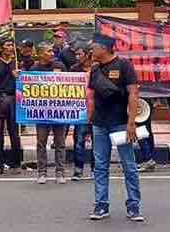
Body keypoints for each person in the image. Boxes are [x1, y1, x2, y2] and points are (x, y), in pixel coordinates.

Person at [87, 33, 142, 222]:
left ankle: (133, 206)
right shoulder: (94, 70)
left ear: (103, 48)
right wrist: (90, 119)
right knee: (100, 166)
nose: (91, 51)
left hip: (120, 123)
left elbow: (133, 94)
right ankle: (101, 205)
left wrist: (131, 122)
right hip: (99, 124)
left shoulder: (124, 65)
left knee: (129, 166)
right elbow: (92, 96)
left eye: (93, 48)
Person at [28, 42, 69, 184]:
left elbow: (69, 85)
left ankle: (60, 172)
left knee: (60, 143)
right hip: (42, 112)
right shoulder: (34, 69)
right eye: (49, 51)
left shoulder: (60, 66)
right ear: (40, 54)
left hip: (58, 110)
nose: (52, 53)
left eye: (52, 51)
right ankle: (42, 172)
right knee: (41, 143)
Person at [0, 38, 21, 174]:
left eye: (12, 45)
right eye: (7, 45)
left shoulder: (16, 64)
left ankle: (16, 163)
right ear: (1, 48)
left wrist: (19, 76)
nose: (11, 47)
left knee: (14, 133)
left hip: (13, 99)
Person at [70, 44, 94, 181]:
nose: (77, 57)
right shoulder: (74, 69)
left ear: (87, 54)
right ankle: (78, 170)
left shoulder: (97, 69)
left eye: (79, 54)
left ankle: (95, 170)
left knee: (97, 142)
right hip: (80, 110)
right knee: (78, 141)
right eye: (76, 55)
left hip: (97, 110)